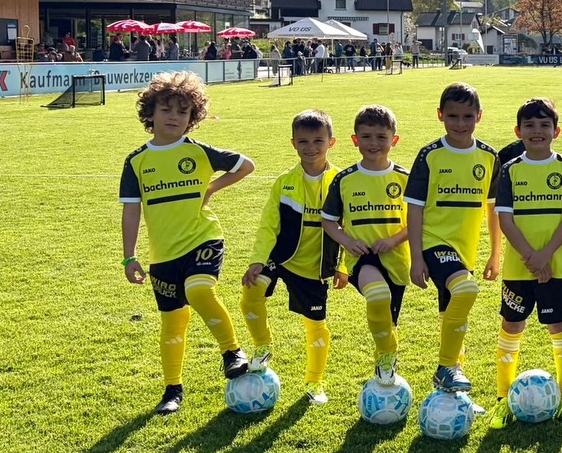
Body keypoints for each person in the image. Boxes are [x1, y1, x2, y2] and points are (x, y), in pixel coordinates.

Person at [119, 71, 255, 415]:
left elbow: (246, 166)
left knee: (199, 291)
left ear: (192, 119)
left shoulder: (199, 152)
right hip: (163, 254)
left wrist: (212, 188)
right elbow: (132, 212)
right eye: (166, 109)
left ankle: (231, 352)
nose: (174, 117)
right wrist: (129, 257)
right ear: (150, 114)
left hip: (203, 238)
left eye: (182, 111)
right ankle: (172, 390)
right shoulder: (136, 161)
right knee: (172, 322)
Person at [489, 98, 562, 427]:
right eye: (529, 125)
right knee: (511, 326)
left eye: (544, 125)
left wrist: (545, 256)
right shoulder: (511, 169)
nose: (537, 131)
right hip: (519, 267)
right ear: (518, 131)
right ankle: (503, 399)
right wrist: (532, 257)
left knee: (559, 326)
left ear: (556, 131)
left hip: (556, 265)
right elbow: (506, 220)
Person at [406, 83, 502, 399]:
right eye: (452, 116)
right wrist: (417, 257)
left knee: (453, 314)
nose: (460, 124)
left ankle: (451, 390)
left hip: (466, 251)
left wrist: (495, 254)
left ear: (479, 116)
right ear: (440, 116)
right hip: (434, 242)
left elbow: (493, 210)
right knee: (466, 290)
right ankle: (446, 367)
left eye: (467, 116)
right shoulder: (430, 155)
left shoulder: (488, 157)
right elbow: (415, 208)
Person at [240, 109, 341, 404]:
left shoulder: (341, 182)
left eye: (318, 141)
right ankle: (262, 346)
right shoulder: (284, 182)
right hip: (280, 257)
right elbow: (269, 225)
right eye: (303, 141)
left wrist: (342, 266)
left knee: (315, 323)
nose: (311, 148)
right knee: (250, 291)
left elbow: (348, 227)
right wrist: (258, 259)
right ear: (293, 143)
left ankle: (315, 382)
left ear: (331, 143)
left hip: (314, 265)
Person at [321, 105, 411, 385]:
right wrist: (348, 241)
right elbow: (328, 221)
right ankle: (387, 356)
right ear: (355, 139)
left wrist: (393, 239)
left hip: (397, 259)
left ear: (394, 140)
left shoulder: (405, 178)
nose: (374, 143)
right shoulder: (345, 179)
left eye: (381, 137)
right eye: (367, 136)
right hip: (362, 260)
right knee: (378, 296)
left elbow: (418, 222)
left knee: (389, 322)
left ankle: (383, 361)